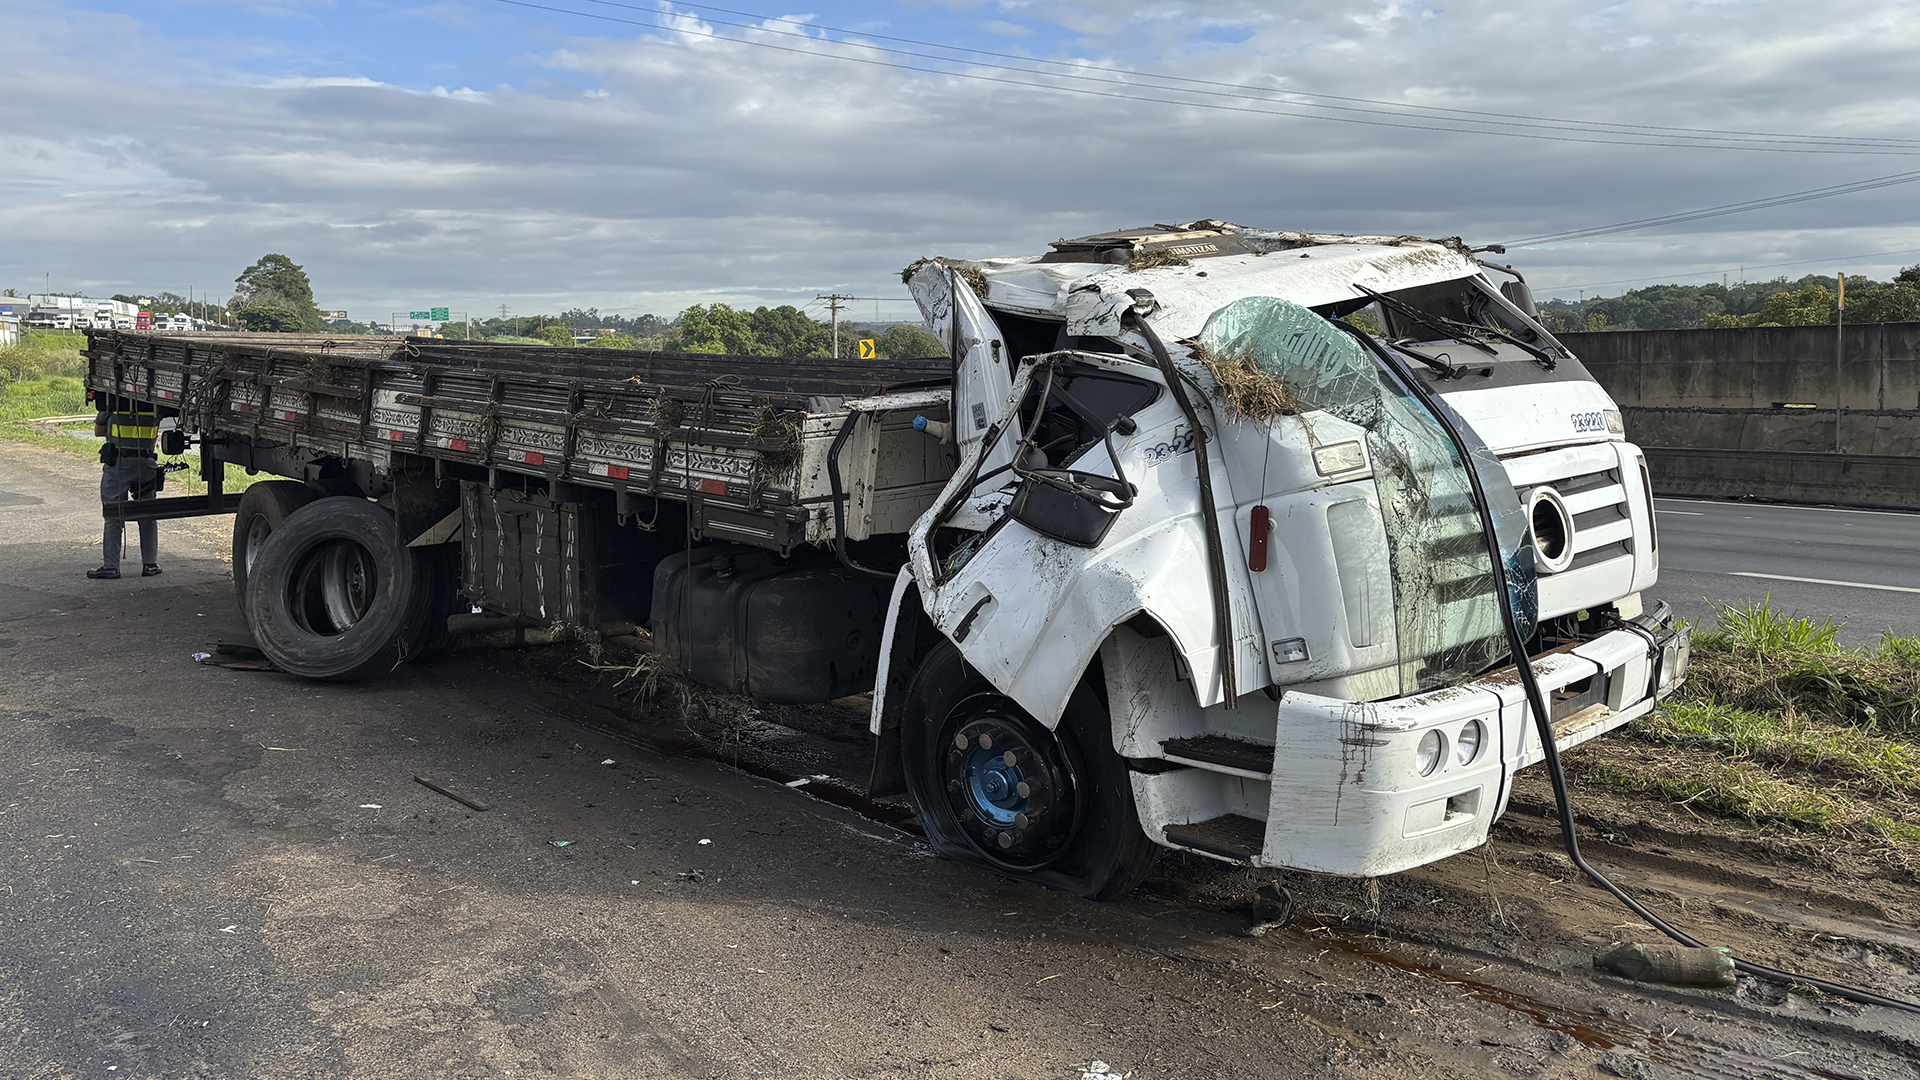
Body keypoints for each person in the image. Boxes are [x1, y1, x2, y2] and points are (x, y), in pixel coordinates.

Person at [89, 395, 162, 579]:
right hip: (146, 465)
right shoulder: (155, 403)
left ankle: (111, 567)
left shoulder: (112, 401)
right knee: (147, 516)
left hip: (119, 466)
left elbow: (98, 431)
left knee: (114, 515)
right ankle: (150, 565)